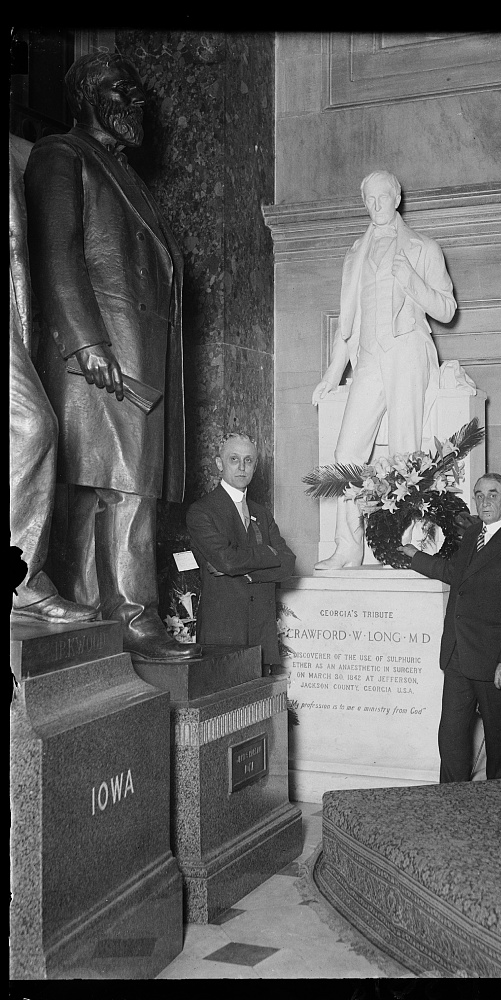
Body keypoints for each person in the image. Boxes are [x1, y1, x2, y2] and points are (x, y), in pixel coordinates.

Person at [24, 52, 198, 661]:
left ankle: (110, 612)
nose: (139, 102)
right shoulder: (61, 155)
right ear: (91, 97)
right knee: (115, 487)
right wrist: (87, 342)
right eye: (125, 90)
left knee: (126, 486)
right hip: (98, 356)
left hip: (137, 353)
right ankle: (128, 615)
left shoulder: (123, 173)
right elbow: (56, 255)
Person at [313, 169, 457, 569]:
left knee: (404, 447)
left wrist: (411, 280)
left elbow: (446, 309)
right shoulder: (355, 251)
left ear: (396, 198)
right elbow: (349, 323)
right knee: (346, 453)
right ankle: (348, 547)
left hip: (407, 349)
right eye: (369, 199)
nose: (376, 205)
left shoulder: (424, 248)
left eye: (382, 197)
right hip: (369, 357)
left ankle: (408, 546)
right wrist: (331, 373)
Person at [398, 474, 501, 782]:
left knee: (500, 742)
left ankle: (498, 807)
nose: (485, 500)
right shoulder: (474, 534)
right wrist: (415, 557)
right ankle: (452, 803)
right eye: (479, 495)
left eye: (493, 494)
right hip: (457, 656)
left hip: (495, 663)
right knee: (451, 737)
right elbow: (454, 573)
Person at [10, 132, 97, 625]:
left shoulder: (23, 156)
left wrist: (26, 326)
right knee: (32, 426)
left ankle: (21, 579)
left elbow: (22, 246)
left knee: (34, 427)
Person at [186, 434, 296, 672]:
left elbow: (288, 563)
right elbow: (226, 560)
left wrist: (249, 574)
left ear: (255, 466)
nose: (242, 467)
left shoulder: (262, 513)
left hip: (261, 634)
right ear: (219, 464)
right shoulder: (202, 512)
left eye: (248, 460)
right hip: (223, 633)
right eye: (234, 459)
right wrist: (268, 554)